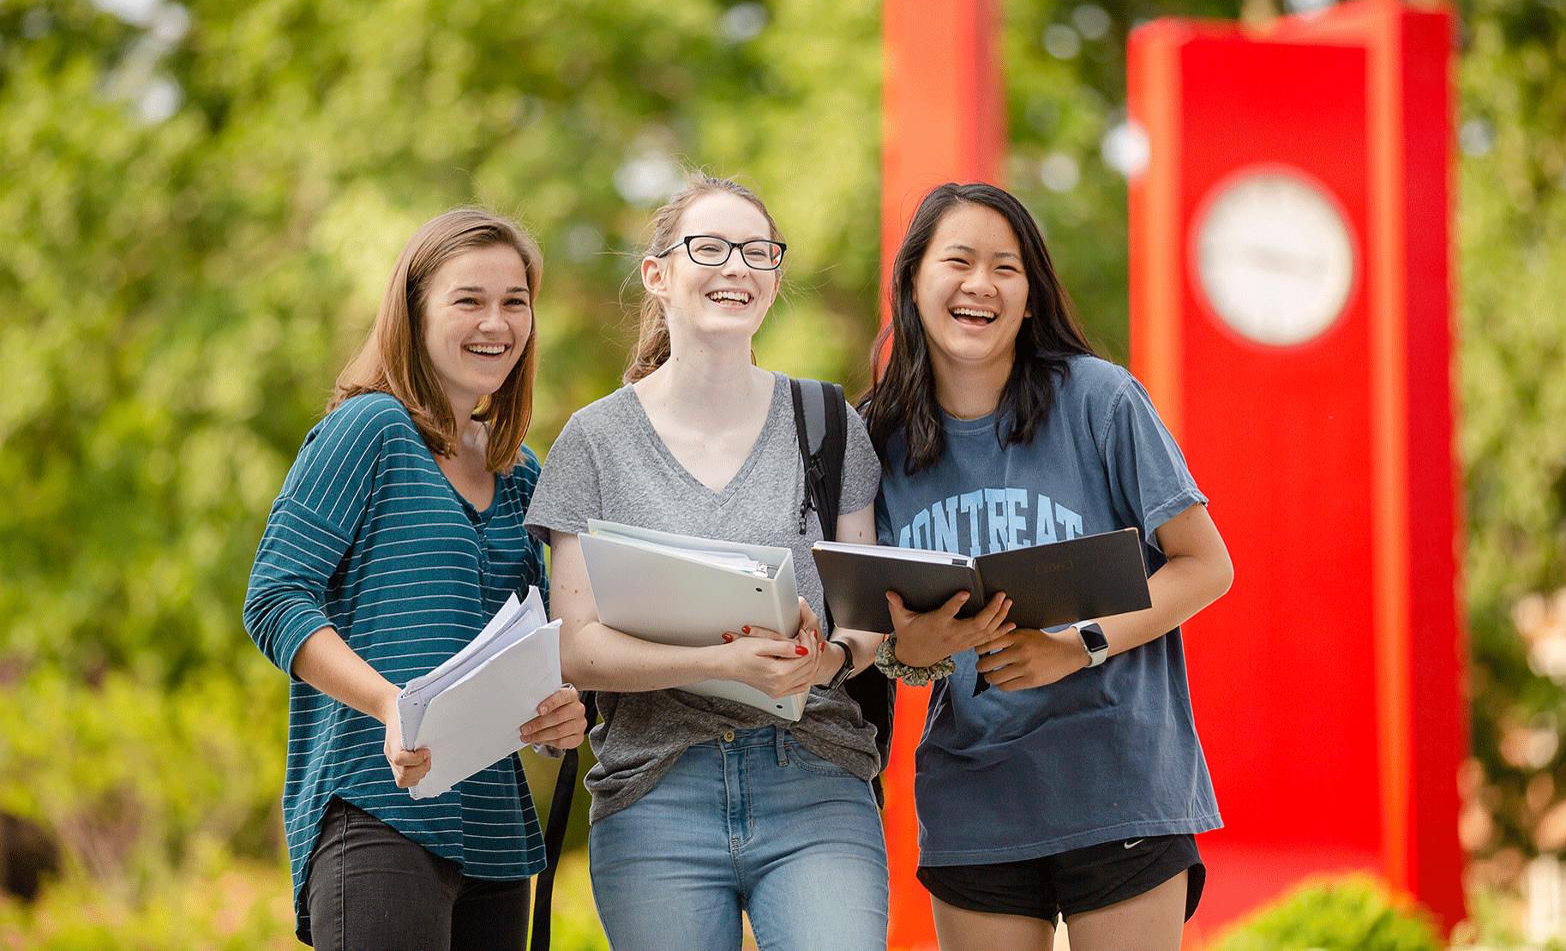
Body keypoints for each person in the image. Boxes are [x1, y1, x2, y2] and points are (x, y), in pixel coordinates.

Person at [524, 174, 896, 951]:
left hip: (817, 777)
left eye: (758, 252)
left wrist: (825, 660)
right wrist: (721, 664)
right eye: (711, 248)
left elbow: (869, 618)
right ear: (658, 275)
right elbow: (572, 645)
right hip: (657, 791)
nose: (737, 267)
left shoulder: (828, 423)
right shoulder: (594, 443)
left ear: (776, 278)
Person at [860, 182, 1234, 951]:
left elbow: (1205, 566)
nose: (981, 284)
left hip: (1120, 779)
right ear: (912, 284)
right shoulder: (875, 440)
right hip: (975, 795)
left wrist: (1076, 645)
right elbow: (883, 634)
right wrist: (914, 657)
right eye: (958, 261)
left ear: (1029, 299)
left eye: (1007, 267)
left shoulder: (1102, 401)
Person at [243, 208, 588, 950]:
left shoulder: (521, 473)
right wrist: (388, 704)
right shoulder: (370, 429)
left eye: (514, 301)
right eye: (469, 300)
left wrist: (557, 717)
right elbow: (274, 597)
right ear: (414, 311)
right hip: (377, 807)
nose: (495, 323)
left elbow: (527, 649)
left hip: (495, 834)